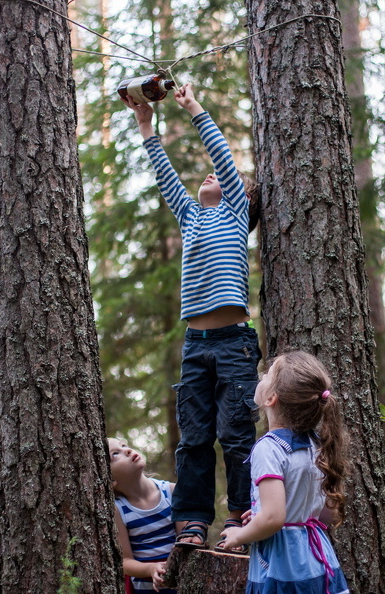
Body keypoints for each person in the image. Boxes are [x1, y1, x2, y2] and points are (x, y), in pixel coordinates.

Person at [120, 83, 261, 552]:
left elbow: (221, 156)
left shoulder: (236, 213)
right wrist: (146, 126)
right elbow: (164, 175)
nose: (206, 177)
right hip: (196, 346)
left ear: (237, 192)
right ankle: (194, 521)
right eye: (201, 176)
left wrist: (195, 107)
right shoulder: (190, 217)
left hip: (235, 342)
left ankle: (242, 515)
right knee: (194, 439)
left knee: (236, 435)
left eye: (215, 177)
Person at [221, 350, 350, 593]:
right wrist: (260, 515)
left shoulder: (269, 448)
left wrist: (240, 535)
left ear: (271, 398)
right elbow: (325, 516)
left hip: (284, 565)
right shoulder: (317, 444)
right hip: (319, 561)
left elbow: (273, 518)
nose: (262, 375)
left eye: (268, 374)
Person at [108, 438, 177, 593]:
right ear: (111, 480)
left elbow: (187, 542)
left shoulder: (172, 492)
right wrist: (150, 569)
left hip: (183, 586)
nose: (127, 450)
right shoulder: (118, 510)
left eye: (124, 445)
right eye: (115, 454)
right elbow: (125, 561)